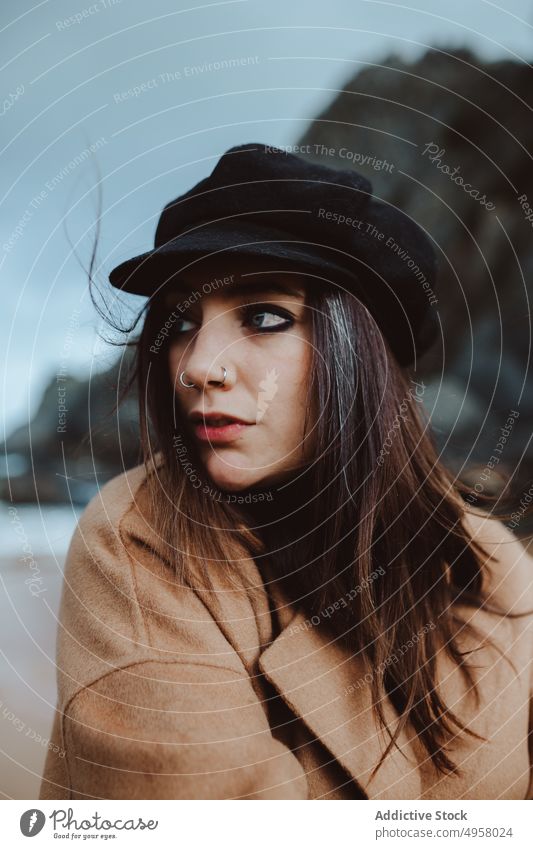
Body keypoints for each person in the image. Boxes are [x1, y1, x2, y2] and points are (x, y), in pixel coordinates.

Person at [40, 143, 533, 800]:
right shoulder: (139, 543)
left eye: (263, 316)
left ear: (357, 353)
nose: (197, 365)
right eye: (183, 321)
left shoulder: (492, 568)